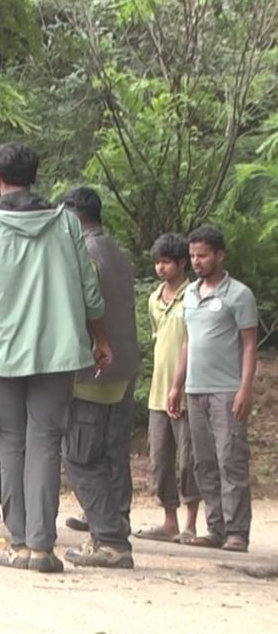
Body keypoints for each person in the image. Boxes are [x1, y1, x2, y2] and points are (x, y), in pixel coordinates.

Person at [0, 142, 112, 574]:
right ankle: (41, 546)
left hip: (1, 356)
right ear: (35, 177)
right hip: (57, 355)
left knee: (11, 447)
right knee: (46, 446)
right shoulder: (67, 224)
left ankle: (18, 543)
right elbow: (89, 288)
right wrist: (100, 338)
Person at [57, 187, 140, 569]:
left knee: (79, 457)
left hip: (93, 371)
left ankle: (110, 540)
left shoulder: (83, 254)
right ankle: (112, 527)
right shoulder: (116, 252)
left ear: (74, 216)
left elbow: (83, 309)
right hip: (121, 370)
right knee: (109, 455)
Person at [168, 225, 259, 553]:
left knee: (230, 459)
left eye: (203, 255)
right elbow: (188, 342)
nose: (196, 261)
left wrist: (245, 388)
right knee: (203, 462)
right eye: (193, 255)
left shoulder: (239, 295)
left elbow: (249, 345)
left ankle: (237, 532)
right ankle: (215, 527)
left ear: (220, 255)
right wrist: (176, 385)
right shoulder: (190, 294)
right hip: (195, 390)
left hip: (226, 391)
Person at [133, 233, 200, 544]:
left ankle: (191, 524)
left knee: (188, 459)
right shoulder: (153, 299)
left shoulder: (194, 296)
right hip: (158, 392)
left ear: (182, 263)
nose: (160, 267)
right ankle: (169, 520)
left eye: (166, 262)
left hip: (186, 392)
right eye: (157, 262)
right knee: (159, 459)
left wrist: (178, 385)